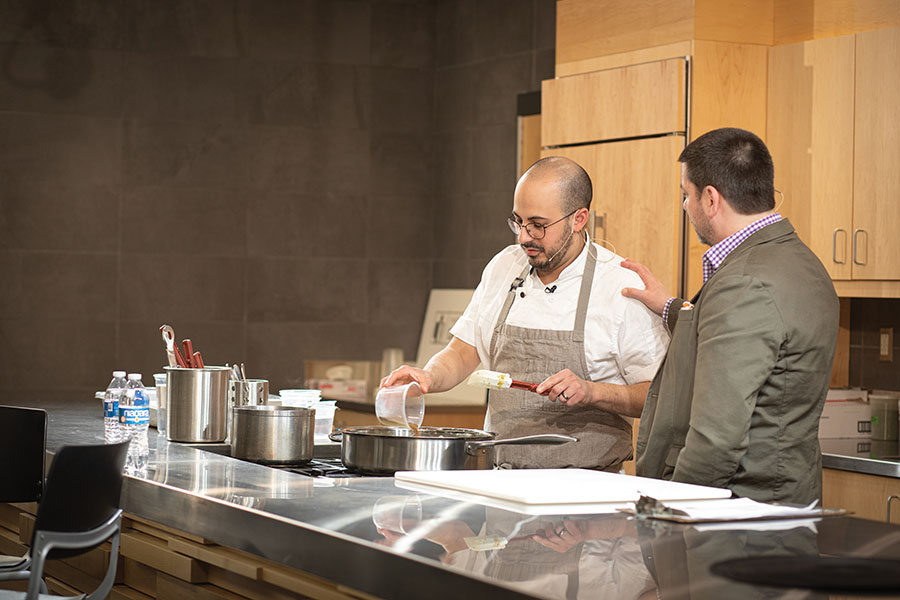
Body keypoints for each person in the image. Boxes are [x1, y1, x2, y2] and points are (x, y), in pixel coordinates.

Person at [382, 156, 668, 471]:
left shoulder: (621, 285)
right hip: (501, 481)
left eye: (538, 225)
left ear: (579, 219)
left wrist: (592, 392)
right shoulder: (504, 266)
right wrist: (430, 376)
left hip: (588, 493)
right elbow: (464, 350)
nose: (523, 237)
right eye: (518, 222)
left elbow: (656, 396)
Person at [622, 127, 839, 504]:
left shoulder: (743, 283)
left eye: (685, 195)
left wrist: (671, 514)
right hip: (786, 503)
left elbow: (715, 440)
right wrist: (673, 308)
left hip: (743, 518)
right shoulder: (798, 260)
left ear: (710, 199)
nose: (686, 207)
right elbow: (755, 337)